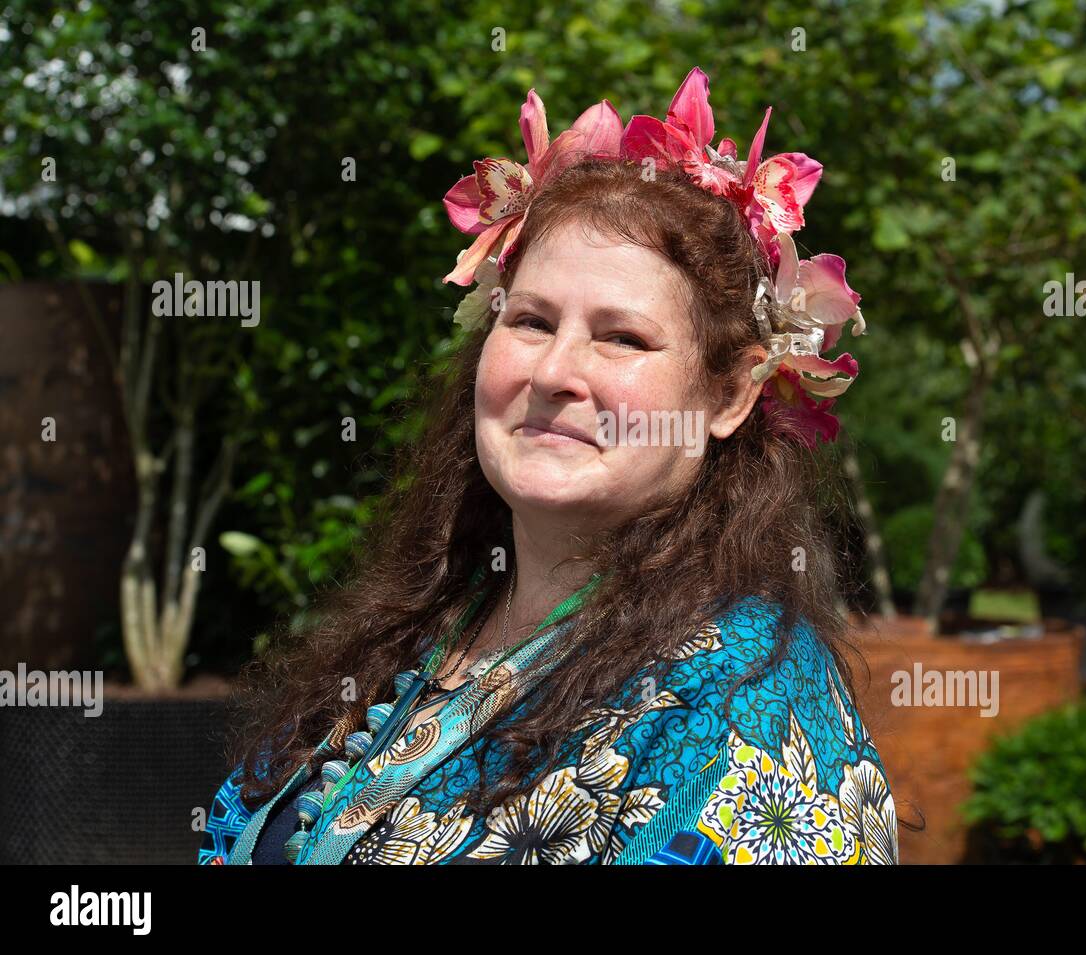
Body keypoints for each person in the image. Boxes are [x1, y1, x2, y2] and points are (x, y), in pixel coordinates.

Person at [198, 66, 898, 865]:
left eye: (622, 337)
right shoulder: (417, 631)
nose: (556, 372)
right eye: (529, 320)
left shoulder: (749, 700)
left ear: (732, 393)